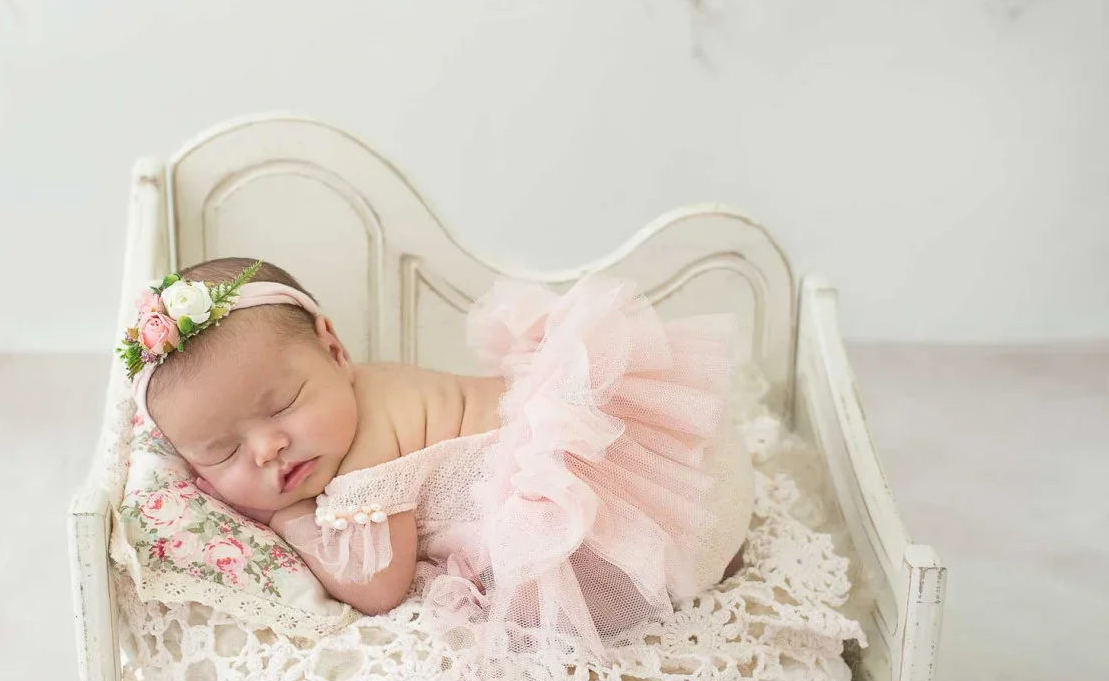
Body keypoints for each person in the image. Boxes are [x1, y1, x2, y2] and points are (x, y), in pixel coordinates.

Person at [121, 256, 753, 660]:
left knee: (555, 596)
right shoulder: (354, 392)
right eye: (223, 451)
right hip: (659, 470)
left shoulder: (364, 454)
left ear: (334, 350)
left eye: (284, 403)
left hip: (600, 492)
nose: (266, 448)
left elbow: (380, 587)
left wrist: (292, 523)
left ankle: (691, 562)